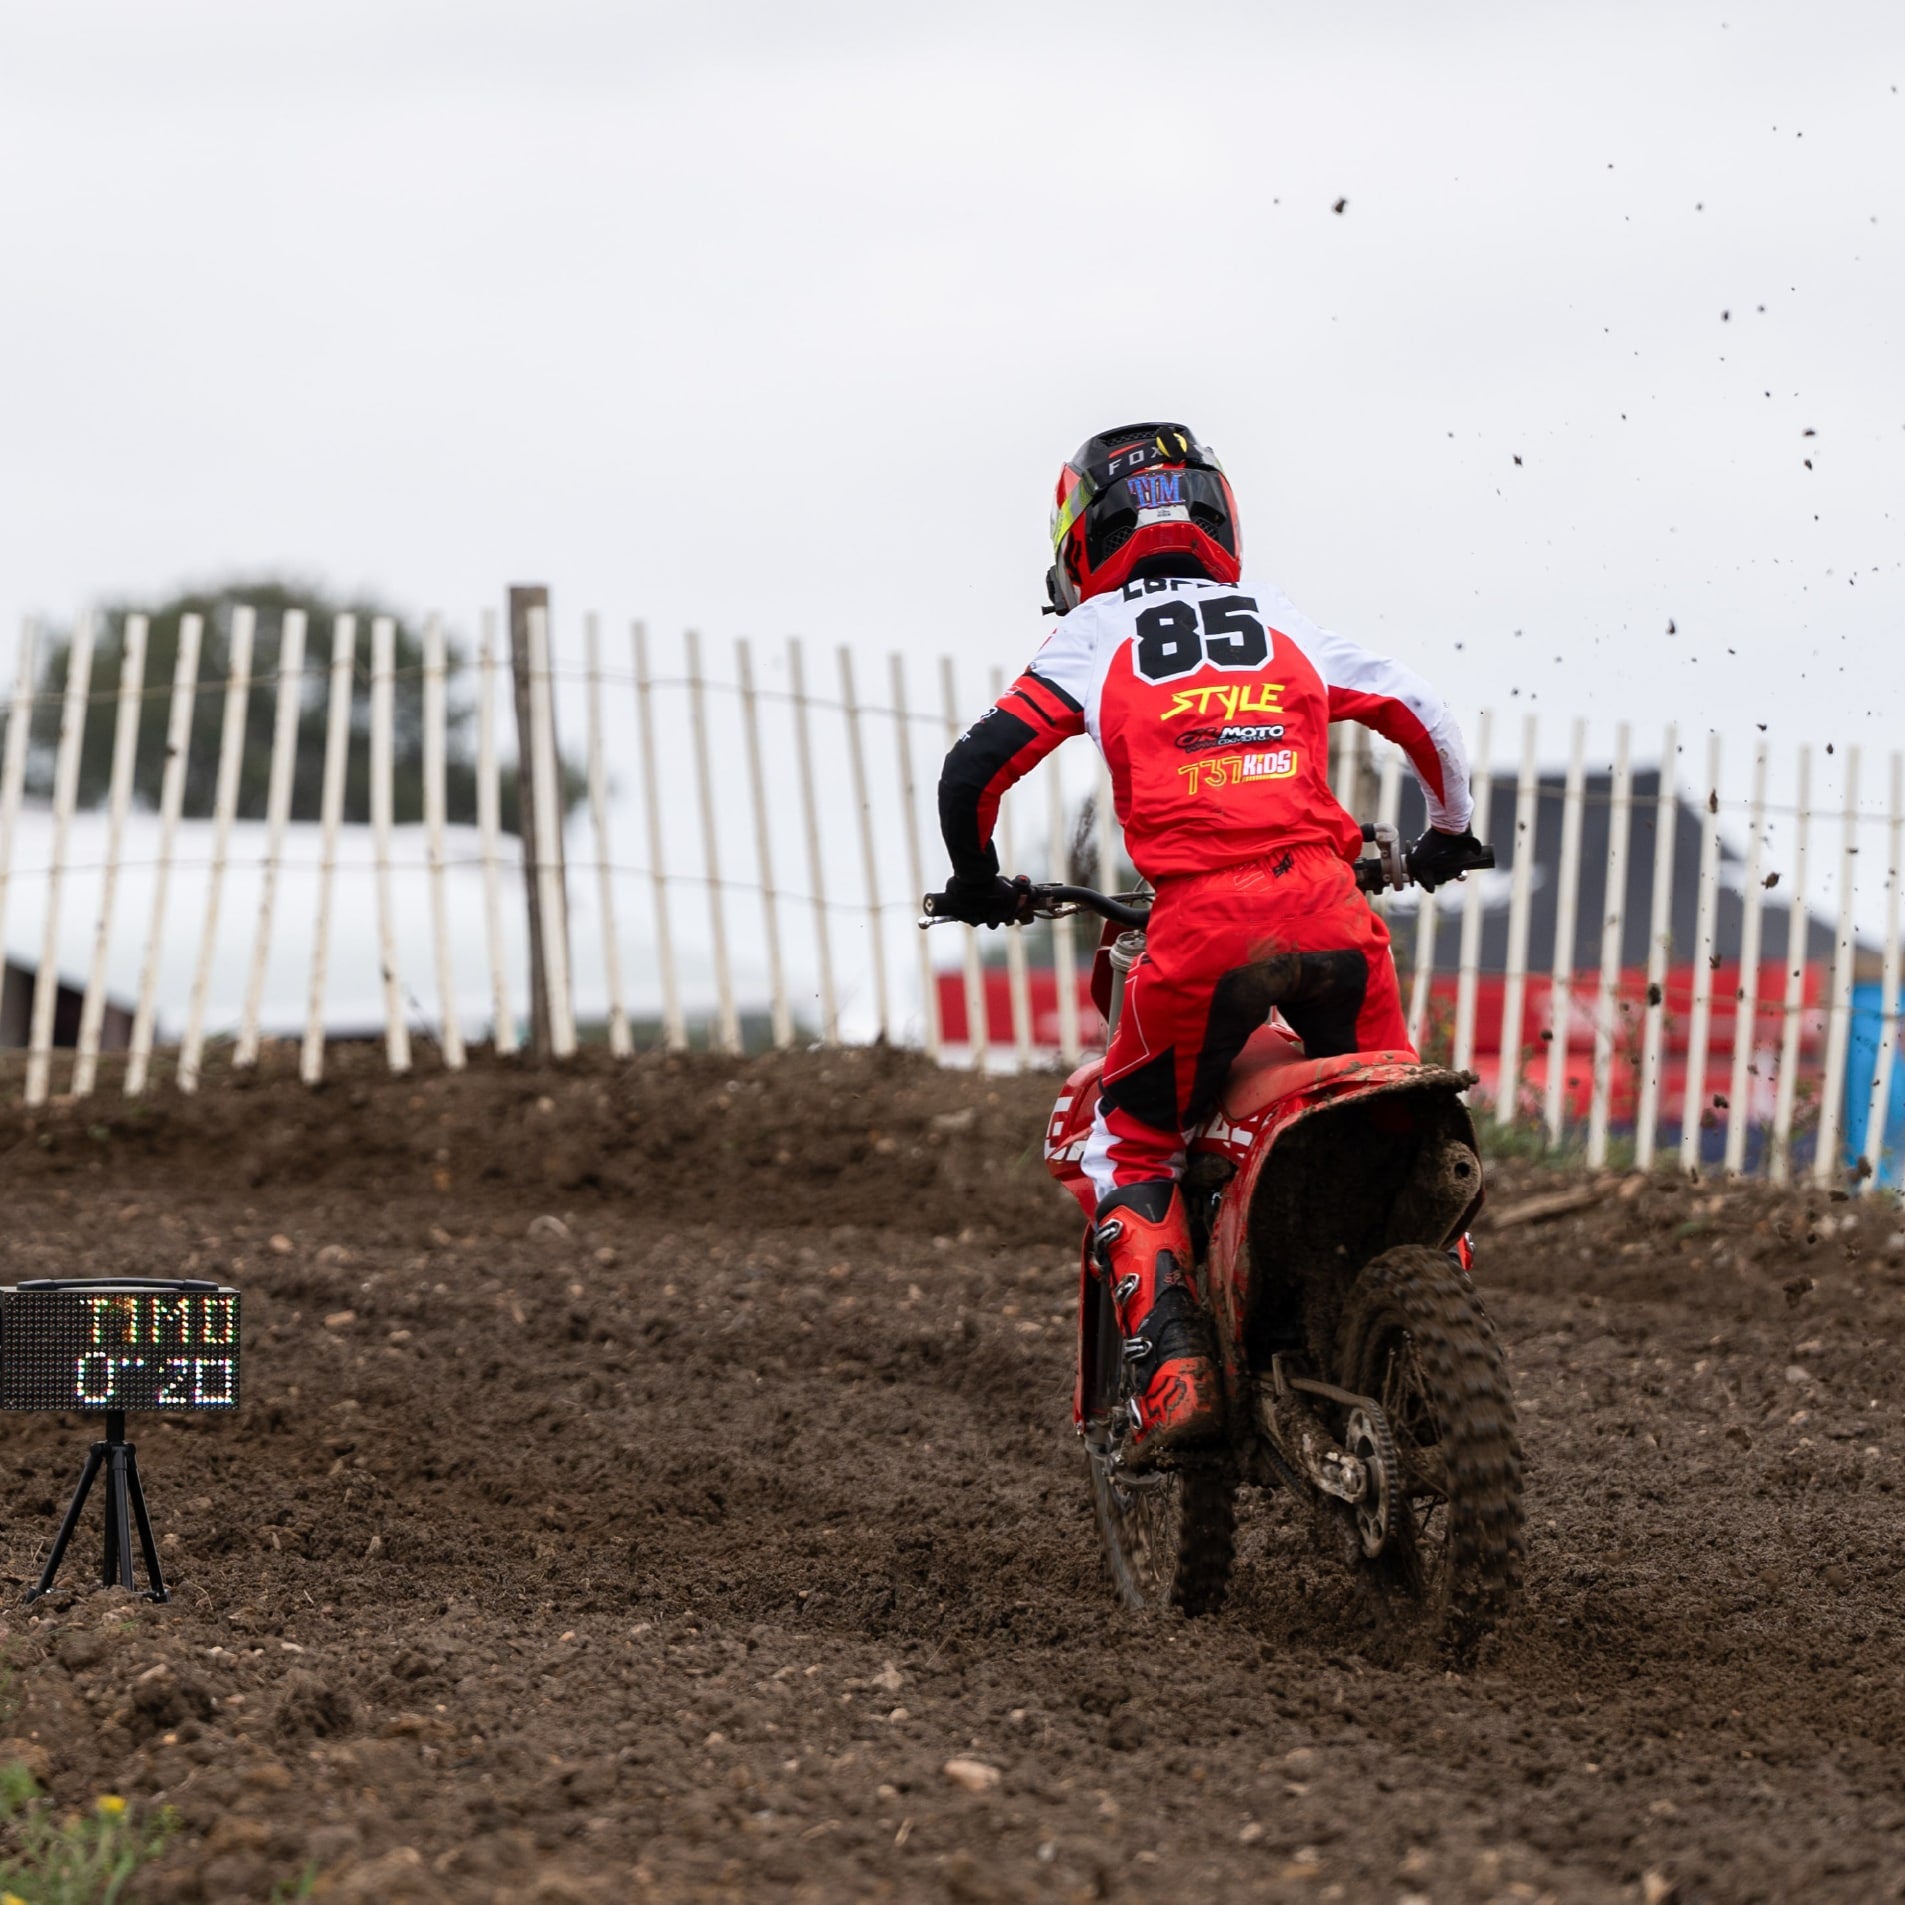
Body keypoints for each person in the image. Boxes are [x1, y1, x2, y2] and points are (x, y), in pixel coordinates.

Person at [933, 422, 1486, 1462]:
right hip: (1335, 913)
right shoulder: (1277, 618)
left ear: (1081, 538)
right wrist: (1447, 836)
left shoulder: (1093, 635)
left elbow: (974, 773)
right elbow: (1423, 715)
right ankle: (1441, 1347)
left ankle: (1181, 1371)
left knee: (1125, 1141)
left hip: (1203, 931)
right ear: (1217, 514)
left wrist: (975, 881)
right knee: (1407, 1120)